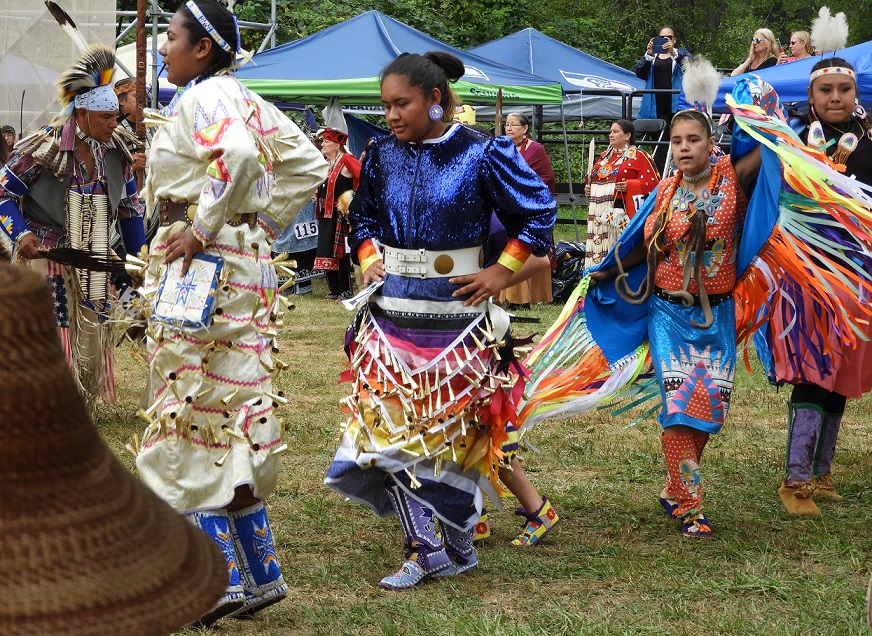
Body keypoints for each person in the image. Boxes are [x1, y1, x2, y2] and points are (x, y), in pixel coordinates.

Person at [516, 71, 872, 538]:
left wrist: (752, 101)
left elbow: (766, 148)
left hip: (717, 315)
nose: (683, 148)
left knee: (708, 413)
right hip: (668, 312)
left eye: (692, 140)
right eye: (677, 141)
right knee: (682, 408)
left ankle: (674, 486)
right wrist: (607, 268)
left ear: (710, 144)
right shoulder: (665, 192)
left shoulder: (732, 178)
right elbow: (641, 244)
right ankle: (689, 503)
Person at [325, 50, 556, 589]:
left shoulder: (482, 153)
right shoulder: (380, 154)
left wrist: (502, 272)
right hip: (392, 314)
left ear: (435, 99)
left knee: (452, 431)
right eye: (385, 106)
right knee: (387, 427)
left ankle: (454, 544)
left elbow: (539, 211)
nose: (391, 116)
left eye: (401, 103)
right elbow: (361, 216)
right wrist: (368, 259)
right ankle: (425, 547)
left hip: (457, 317)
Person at [133, 0, 327, 624]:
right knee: (235, 405)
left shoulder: (205, 98)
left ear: (203, 48)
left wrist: (202, 223)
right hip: (244, 269)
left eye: (169, 37)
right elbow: (307, 164)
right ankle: (258, 570)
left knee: (189, 405)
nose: (162, 47)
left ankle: (214, 581)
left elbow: (238, 157)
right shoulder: (247, 96)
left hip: (202, 267)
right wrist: (260, 226)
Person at [0, 260, 228, 634]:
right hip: (48, 249)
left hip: (84, 258)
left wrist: (129, 262)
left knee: (85, 329)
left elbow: (126, 209)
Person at [754, 58, 872, 517]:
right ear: (812, 96)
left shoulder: (868, 142)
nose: (837, 97)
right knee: (815, 367)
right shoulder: (793, 143)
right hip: (808, 274)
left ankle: (821, 474)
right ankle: (795, 480)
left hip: (858, 274)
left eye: (845, 88)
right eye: (827, 90)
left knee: (842, 369)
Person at [0, 44, 145, 413]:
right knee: (54, 327)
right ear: (81, 114)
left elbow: (129, 209)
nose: (115, 123)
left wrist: (137, 260)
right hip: (47, 250)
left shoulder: (118, 150)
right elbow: (2, 193)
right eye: (106, 117)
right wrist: (21, 235)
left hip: (96, 252)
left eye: (116, 116)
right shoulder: (42, 147)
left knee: (94, 330)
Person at [583, 119, 659, 269]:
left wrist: (630, 186)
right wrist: (589, 190)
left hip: (622, 210)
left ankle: (613, 274)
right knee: (598, 248)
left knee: (615, 246)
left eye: (615, 132)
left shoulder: (639, 156)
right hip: (598, 212)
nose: (611, 135)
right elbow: (593, 179)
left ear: (627, 135)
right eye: (610, 132)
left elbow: (654, 185)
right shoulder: (605, 156)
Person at [499, 111, 555, 306]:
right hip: (505, 207)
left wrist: (523, 187)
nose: (509, 128)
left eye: (514, 124)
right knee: (504, 246)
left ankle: (525, 296)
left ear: (525, 129)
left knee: (525, 246)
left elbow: (547, 178)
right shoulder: (501, 147)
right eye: (507, 124)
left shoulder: (535, 149)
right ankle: (504, 294)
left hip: (529, 208)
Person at [633, 26, 692, 172]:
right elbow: (639, 72)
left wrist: (674, 53)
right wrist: (648, 54)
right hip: (655, 106)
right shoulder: (652, 57)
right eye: (661, 38)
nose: (666, 41)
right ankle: (659, 180)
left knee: (678, 143)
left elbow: (692, 67)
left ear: (674, 40)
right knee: (658, 146)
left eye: (669, 38)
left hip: (676, 106)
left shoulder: (681, 53)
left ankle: (677, 176)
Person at [314, 127, 360, 300]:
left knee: (341, 252)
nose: (323, 144)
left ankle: (345, 289)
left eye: (326, 141)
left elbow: (364, 177)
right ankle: (333, 289)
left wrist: (351, 201)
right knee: (326, 249)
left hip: (341, 214)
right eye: (323, 141)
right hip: (326, 214)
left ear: (337, 144)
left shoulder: (347, 160)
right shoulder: (325, 162)